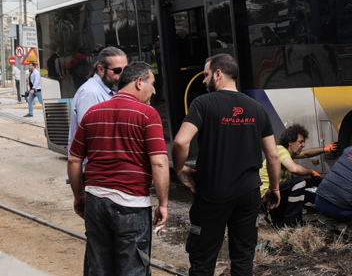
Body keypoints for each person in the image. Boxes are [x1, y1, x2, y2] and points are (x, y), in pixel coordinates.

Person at [172, 53, 281, 276]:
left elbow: (181, 141)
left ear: (218, 74)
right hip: (248, 194)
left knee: (202, 261)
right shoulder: (257, 109)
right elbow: (273, 156)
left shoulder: (202, 103)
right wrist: (275, 188)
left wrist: (179, 169)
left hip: (213, 193)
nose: (203, 80)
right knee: (243, 259)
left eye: (206, 75)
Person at [67, 61, 169, 276]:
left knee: (99, 267)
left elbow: (74, 160)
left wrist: (79, 196)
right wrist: (163, 204)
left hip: (95, 201)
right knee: (133, 268)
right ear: (139, 82)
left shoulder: (92, 113)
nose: (154, 90)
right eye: (153, 83)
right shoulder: (148, 115)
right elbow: (159, 162)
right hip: (131, 204)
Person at [66, 47, 128, 184]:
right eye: (117, 71)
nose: (123, 76)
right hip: (95, 175)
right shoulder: (91, 94)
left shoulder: (109, 90)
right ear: (101, 70)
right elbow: (94, 140)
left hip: (104, 173)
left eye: (126, 70)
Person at [258, 125, 339, 226]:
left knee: (312, 196)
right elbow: (294, 169)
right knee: (299, 182)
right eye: (301, 142)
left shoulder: (287, 153)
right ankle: (292, 223)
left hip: (278, 196)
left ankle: (278, 218)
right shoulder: (280, 150)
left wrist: (325, 149)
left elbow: (306, 154)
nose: (303, 145)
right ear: (290, 142)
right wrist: (311, 172)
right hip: (269, 198)